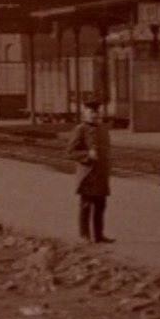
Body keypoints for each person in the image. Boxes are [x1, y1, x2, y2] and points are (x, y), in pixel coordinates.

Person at [66, 99, 114, 243]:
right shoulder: (80, 129)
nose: (95, 115)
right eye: (92, 113)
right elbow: (70, 152)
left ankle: (99, 235)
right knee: (86, 206)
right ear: (85, 114)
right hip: (88, 174)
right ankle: (84, 235)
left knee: (101, 205)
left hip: (101, 174)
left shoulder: (104, 128)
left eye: (97, 112)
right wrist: (87, 155)